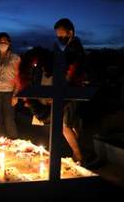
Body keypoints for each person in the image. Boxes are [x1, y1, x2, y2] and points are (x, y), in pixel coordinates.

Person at [54, 18, 86, 162]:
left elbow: (71, 70)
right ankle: (76, 155)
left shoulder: (73, 47)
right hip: (75, 89)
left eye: (61, 34)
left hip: (72, 90)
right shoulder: (73, 46)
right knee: (71, 124)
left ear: (70, 32)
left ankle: (78, 155)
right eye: (57, 35)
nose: (59, 37)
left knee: (64, 125)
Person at [0, 32, 20, 139]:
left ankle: (13, 138)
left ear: (9, 42)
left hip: (9, 91)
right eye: (0, 41)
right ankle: (1, 137)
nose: (2, 43)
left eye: (5, 41)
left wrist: (16, 94)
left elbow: (18, 77)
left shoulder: (15, 58)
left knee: (9, 117)